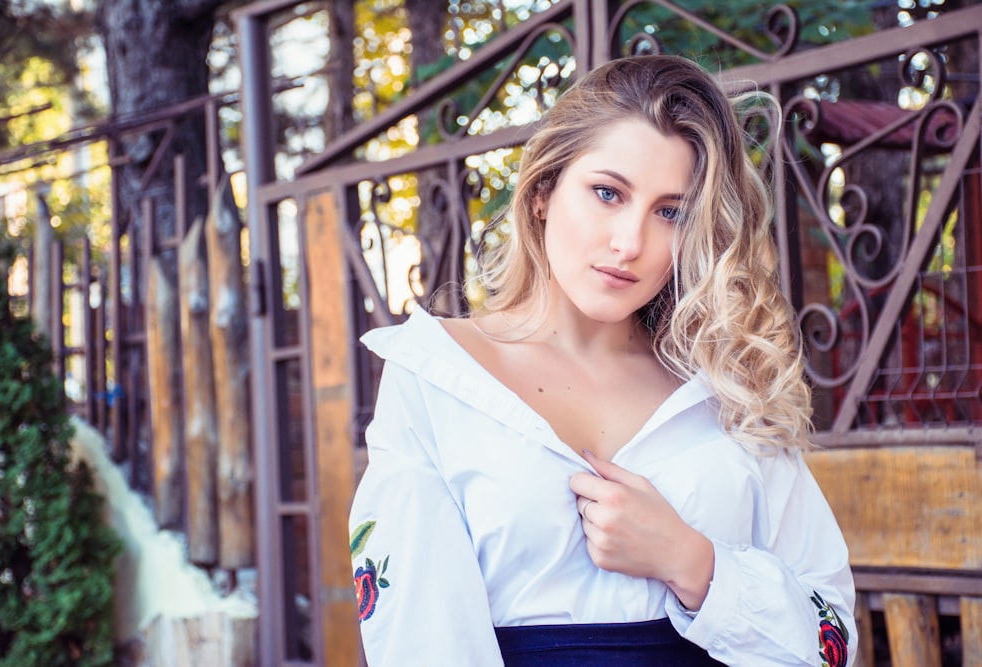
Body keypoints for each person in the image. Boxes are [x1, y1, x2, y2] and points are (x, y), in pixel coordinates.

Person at [348, 54, 856, 666]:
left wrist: (691, 562)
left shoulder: (727, 390)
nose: (630, 243)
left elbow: (832, 641)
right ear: (542, 192)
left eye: (671, 212)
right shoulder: (437, 377)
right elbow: (418, 644)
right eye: (608, 193)